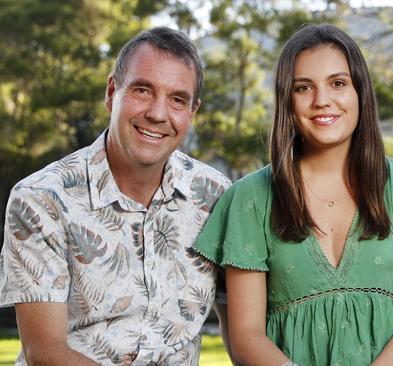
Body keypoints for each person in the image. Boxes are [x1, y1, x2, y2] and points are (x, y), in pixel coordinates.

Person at [193, 23, 393, 366]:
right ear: (287, 99)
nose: (321, 101)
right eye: (303, 87)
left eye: (338, 83)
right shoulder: (250, 199)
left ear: (360, 92)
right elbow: (245, 336)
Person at [0, 27, 232, 365]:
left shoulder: (216, 197)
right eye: (142, 90)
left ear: (193, 111)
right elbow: (45, 353)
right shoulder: (41, 199)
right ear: (112, 92)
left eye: (177, 99)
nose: (157, 113)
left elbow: (244, 330)